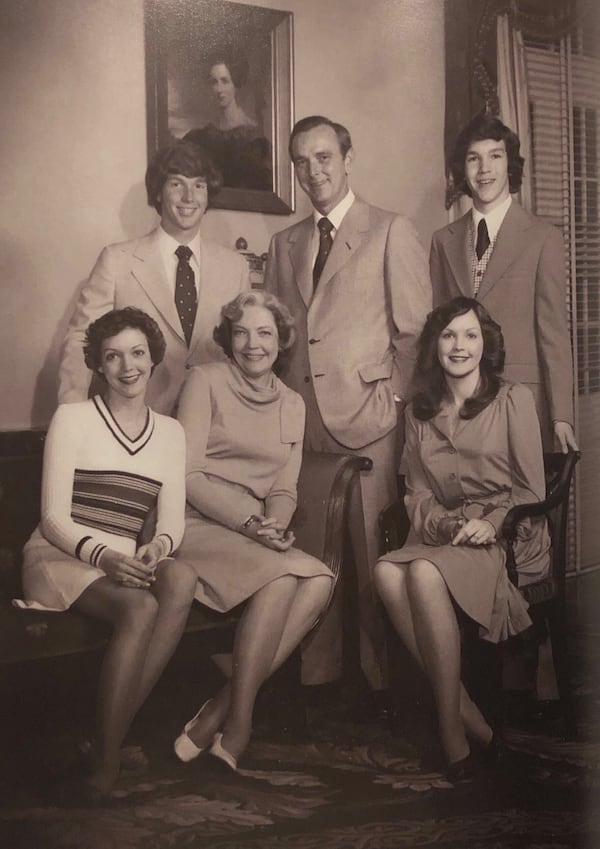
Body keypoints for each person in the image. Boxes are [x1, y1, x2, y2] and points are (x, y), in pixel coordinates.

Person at [264, 115, 431, 698]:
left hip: (370, 420)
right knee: (315, 559)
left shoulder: (390, 230)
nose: (314, 171)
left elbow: (415, 333)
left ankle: (382, 686)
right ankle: (322, 682)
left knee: (370, 559)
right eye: (302, 161)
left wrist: (394, 400)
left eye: (324, 157)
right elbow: (282, 336)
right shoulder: (284, 243)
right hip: (304, 425)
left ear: (348, 156)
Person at [15, 307, 196, 800]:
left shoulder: (171, 432)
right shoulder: (73, 418)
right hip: (61, 556)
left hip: (121, 559)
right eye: (112, 356)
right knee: (141, 606)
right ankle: (109, 759)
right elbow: (52, 519)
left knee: (181, 579)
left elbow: (172, 524)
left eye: (138, 353)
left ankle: (102, 736)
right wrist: (107, 559)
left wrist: (156, 549)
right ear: (97, 364)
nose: (128, 366)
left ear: (154, 358)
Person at [374, 297, 550, 782]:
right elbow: (416, 490)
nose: (459, 346)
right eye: (449, 335)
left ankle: (452, 735)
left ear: (485, 342)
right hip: (443, 533)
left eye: (470, 335)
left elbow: (531, 488)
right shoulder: (419, 410)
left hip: (502, 536)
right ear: (435, 345)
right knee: (387, 571)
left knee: (424, 574)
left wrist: (491, 523)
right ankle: (473, 721)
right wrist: (445, 525)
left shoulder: (513, 398)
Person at [172, 290, 333, 770]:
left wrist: (275, 528)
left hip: (251, 531)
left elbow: (284, 488)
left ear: (281, 341)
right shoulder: (204, 381)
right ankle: (240, 723)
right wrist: (250, 525)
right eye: (241, 332)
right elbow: (187, 475)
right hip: (195, 522)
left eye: (264, 333)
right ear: (228, 338)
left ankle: (218, 707)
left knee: (321, 578)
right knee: (283, 577)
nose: (252, 344)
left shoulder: (293, 404)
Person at [58, 139, 249, 415]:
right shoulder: (116, 260)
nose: (189, 196)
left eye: (199, 185)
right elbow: (81, 340)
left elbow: (242, 350)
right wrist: (71, 414)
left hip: (214, 423)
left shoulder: (236, 266)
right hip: (136, 424)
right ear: (158, 192)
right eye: (176, 184)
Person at [430, 113, 577, 453]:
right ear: (461, 169)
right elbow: (437, 329)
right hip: (458, 404)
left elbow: (554, 335)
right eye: (473, 158)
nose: (484, 169)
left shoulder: (543, 238)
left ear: (510, 166)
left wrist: (562, 416)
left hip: (522, 403)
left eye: (495, 156)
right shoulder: (442, 240)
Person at [184, 56, 272, 191]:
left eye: (225, 81)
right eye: (214, 82)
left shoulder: (255, 139)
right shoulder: (199, 137)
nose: (219, 89)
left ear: (235, 84)